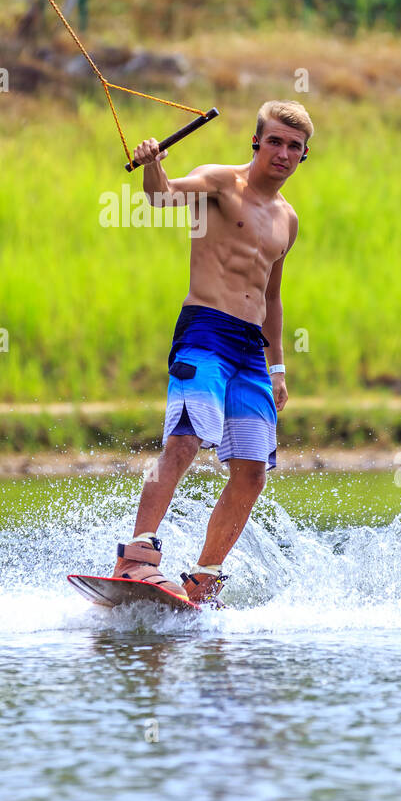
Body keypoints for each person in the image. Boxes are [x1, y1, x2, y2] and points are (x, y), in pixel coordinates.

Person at [111, 100, 314, 603]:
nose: (283, 153)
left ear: (304, 156)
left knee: (252, 469)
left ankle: (203, 579)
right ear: (256, 143)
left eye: (295, 147)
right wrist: (154, 162)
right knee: (185, 441)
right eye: (275, 142)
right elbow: (162, 198)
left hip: (250, 351)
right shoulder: (222, 183)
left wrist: (279, 366)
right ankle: (136, 556)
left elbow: (271, 295)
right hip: (205, 331)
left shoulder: (288, 220)